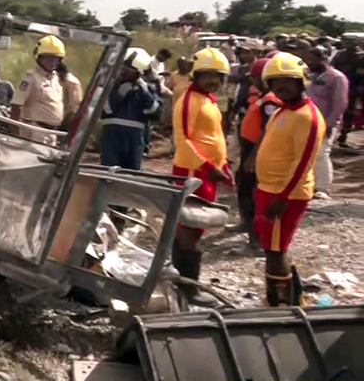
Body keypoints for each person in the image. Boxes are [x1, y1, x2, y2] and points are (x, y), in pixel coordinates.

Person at [254, 52, 326, 306]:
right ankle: (293, 298)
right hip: (270, 189)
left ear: (301, 81)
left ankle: (280, 305)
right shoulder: (284, 111)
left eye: (286, 81)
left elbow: (303, 162)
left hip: (284, 195)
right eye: (274, 82)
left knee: (275, 251)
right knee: (273, 247)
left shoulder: (308, 117)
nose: (279, 87)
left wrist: (282, 197)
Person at [171, 47, 234, 307]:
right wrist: (208, 167)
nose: (214, 81)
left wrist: (223, 165)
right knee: (191, 231)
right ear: (196, 74)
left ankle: (180, 282)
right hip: (192, 172)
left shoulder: (208, 100)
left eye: (218, 76)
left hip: (206, 171)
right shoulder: (188, 100)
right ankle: (190, 288)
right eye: (208, 75)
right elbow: (182, 140)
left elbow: (214, 137)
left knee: (188, 230)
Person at [236, 58, 280, 249]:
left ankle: (256, 238)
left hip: (257, 152)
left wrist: (253, 158)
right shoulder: (262, 96)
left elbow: (267, 129)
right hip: (249, 149)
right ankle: (246, 225)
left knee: (252, 193)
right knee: (243, 188)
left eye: (254, 77)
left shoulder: (270, 100)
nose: (252, 81)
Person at [100, 48, 159, 171]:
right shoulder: (108, 86)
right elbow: (106, 111)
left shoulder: (143, 90)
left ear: (138, 73)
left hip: (134, 141)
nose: (123, 72)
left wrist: (145, 93)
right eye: (123, 68)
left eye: (128, 70)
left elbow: (157, 113)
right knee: (107, 178)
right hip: (112, 139)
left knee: (130, 179)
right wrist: (119, 94)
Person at [306, 46, 349, 199]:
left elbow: (340, 103)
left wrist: (331, 124)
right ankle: (310, 184)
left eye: (315, 58)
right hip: (308, 120)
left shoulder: (337, 77)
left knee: (321, 154)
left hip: (326, 122)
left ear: (325, 58)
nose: (311, 61)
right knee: (308, 153)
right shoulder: (312, 76)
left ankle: (323, 188)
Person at [11, 35, 66, 137]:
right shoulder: (31, 78)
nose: (53, 62)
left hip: (52, 134)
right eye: (49, 58)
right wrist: (15, 134)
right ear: (39, 57)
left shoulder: (55, 78)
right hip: (34, 132)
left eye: (57, 58)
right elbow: (16, 105)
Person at [56, 60, 85, 130]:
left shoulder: (71, 82)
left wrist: (62, 117)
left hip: (69, 119)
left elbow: (73, 105)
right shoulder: (65, 81)